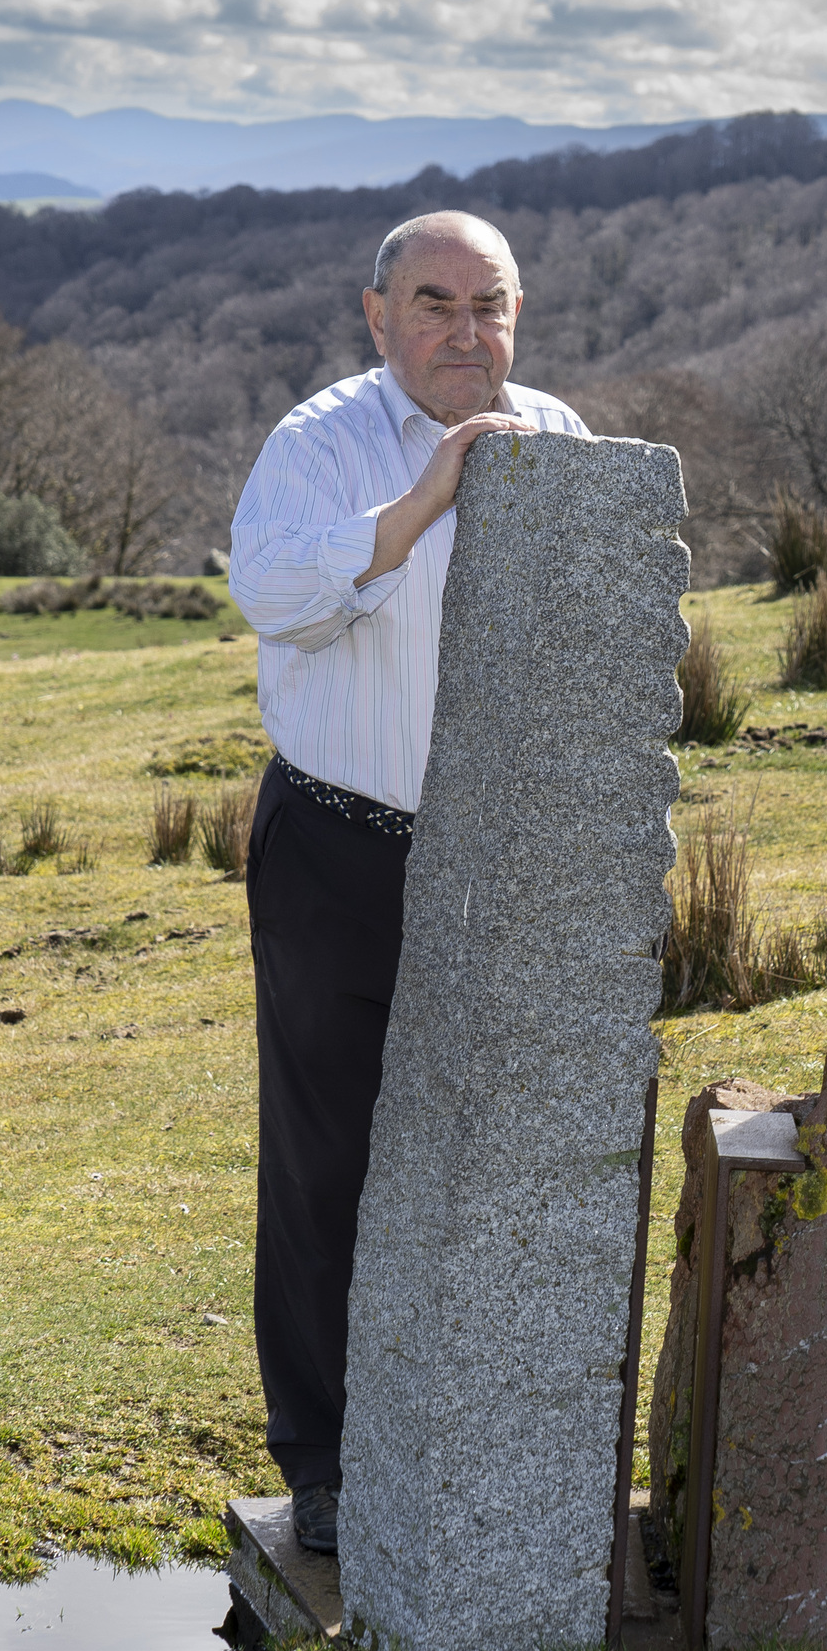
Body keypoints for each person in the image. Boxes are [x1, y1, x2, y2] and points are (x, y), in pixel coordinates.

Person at [225, 211, 586, 1554]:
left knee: (500, 1156)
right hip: (340, 845)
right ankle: (324, 1460)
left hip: (508, 856)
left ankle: (486, 1429)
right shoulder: (320, 444)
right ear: (377, 315)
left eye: (488, 307)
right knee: (332, 1162)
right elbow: (276, 595)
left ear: (518, 313)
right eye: (433, 305)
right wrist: (425, 497)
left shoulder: (560, 435)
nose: (464, 333)